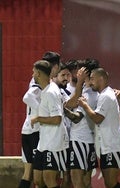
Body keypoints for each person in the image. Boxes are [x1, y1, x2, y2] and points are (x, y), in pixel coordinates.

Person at [77, 68, 120, 188]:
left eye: (92, 79)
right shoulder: (104, 94)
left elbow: (97, 118)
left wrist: (84, 105)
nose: (90, 82)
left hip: (113, 145)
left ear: (101, 79)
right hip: (107, 145)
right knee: (109, 183)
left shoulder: (106, 96)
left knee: (111, 183)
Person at [31, 60, 69, 188]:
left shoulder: (51, 92)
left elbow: (57, 119)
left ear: (39, 74)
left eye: (34, 73)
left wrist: (38, 119)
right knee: (37, 179)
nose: (33, 75)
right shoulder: (46, 90)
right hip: (44, 142)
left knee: (49, 178)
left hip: (54, 142)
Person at [64, 59, 100, 188]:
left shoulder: (88, 94)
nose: (77, 72)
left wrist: (62, 110)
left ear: (85, 72)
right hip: (89, 140)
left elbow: (76, 116)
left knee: (77, 179)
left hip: (79, 139)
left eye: (80, 69)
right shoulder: (90, 90)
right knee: (86, 181)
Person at [18, 81, 41, 188]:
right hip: (34, 131)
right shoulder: (38, 84)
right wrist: (43, 111)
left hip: (27, 129)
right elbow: (27, 97)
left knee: (28, 174)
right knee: (38, 176)